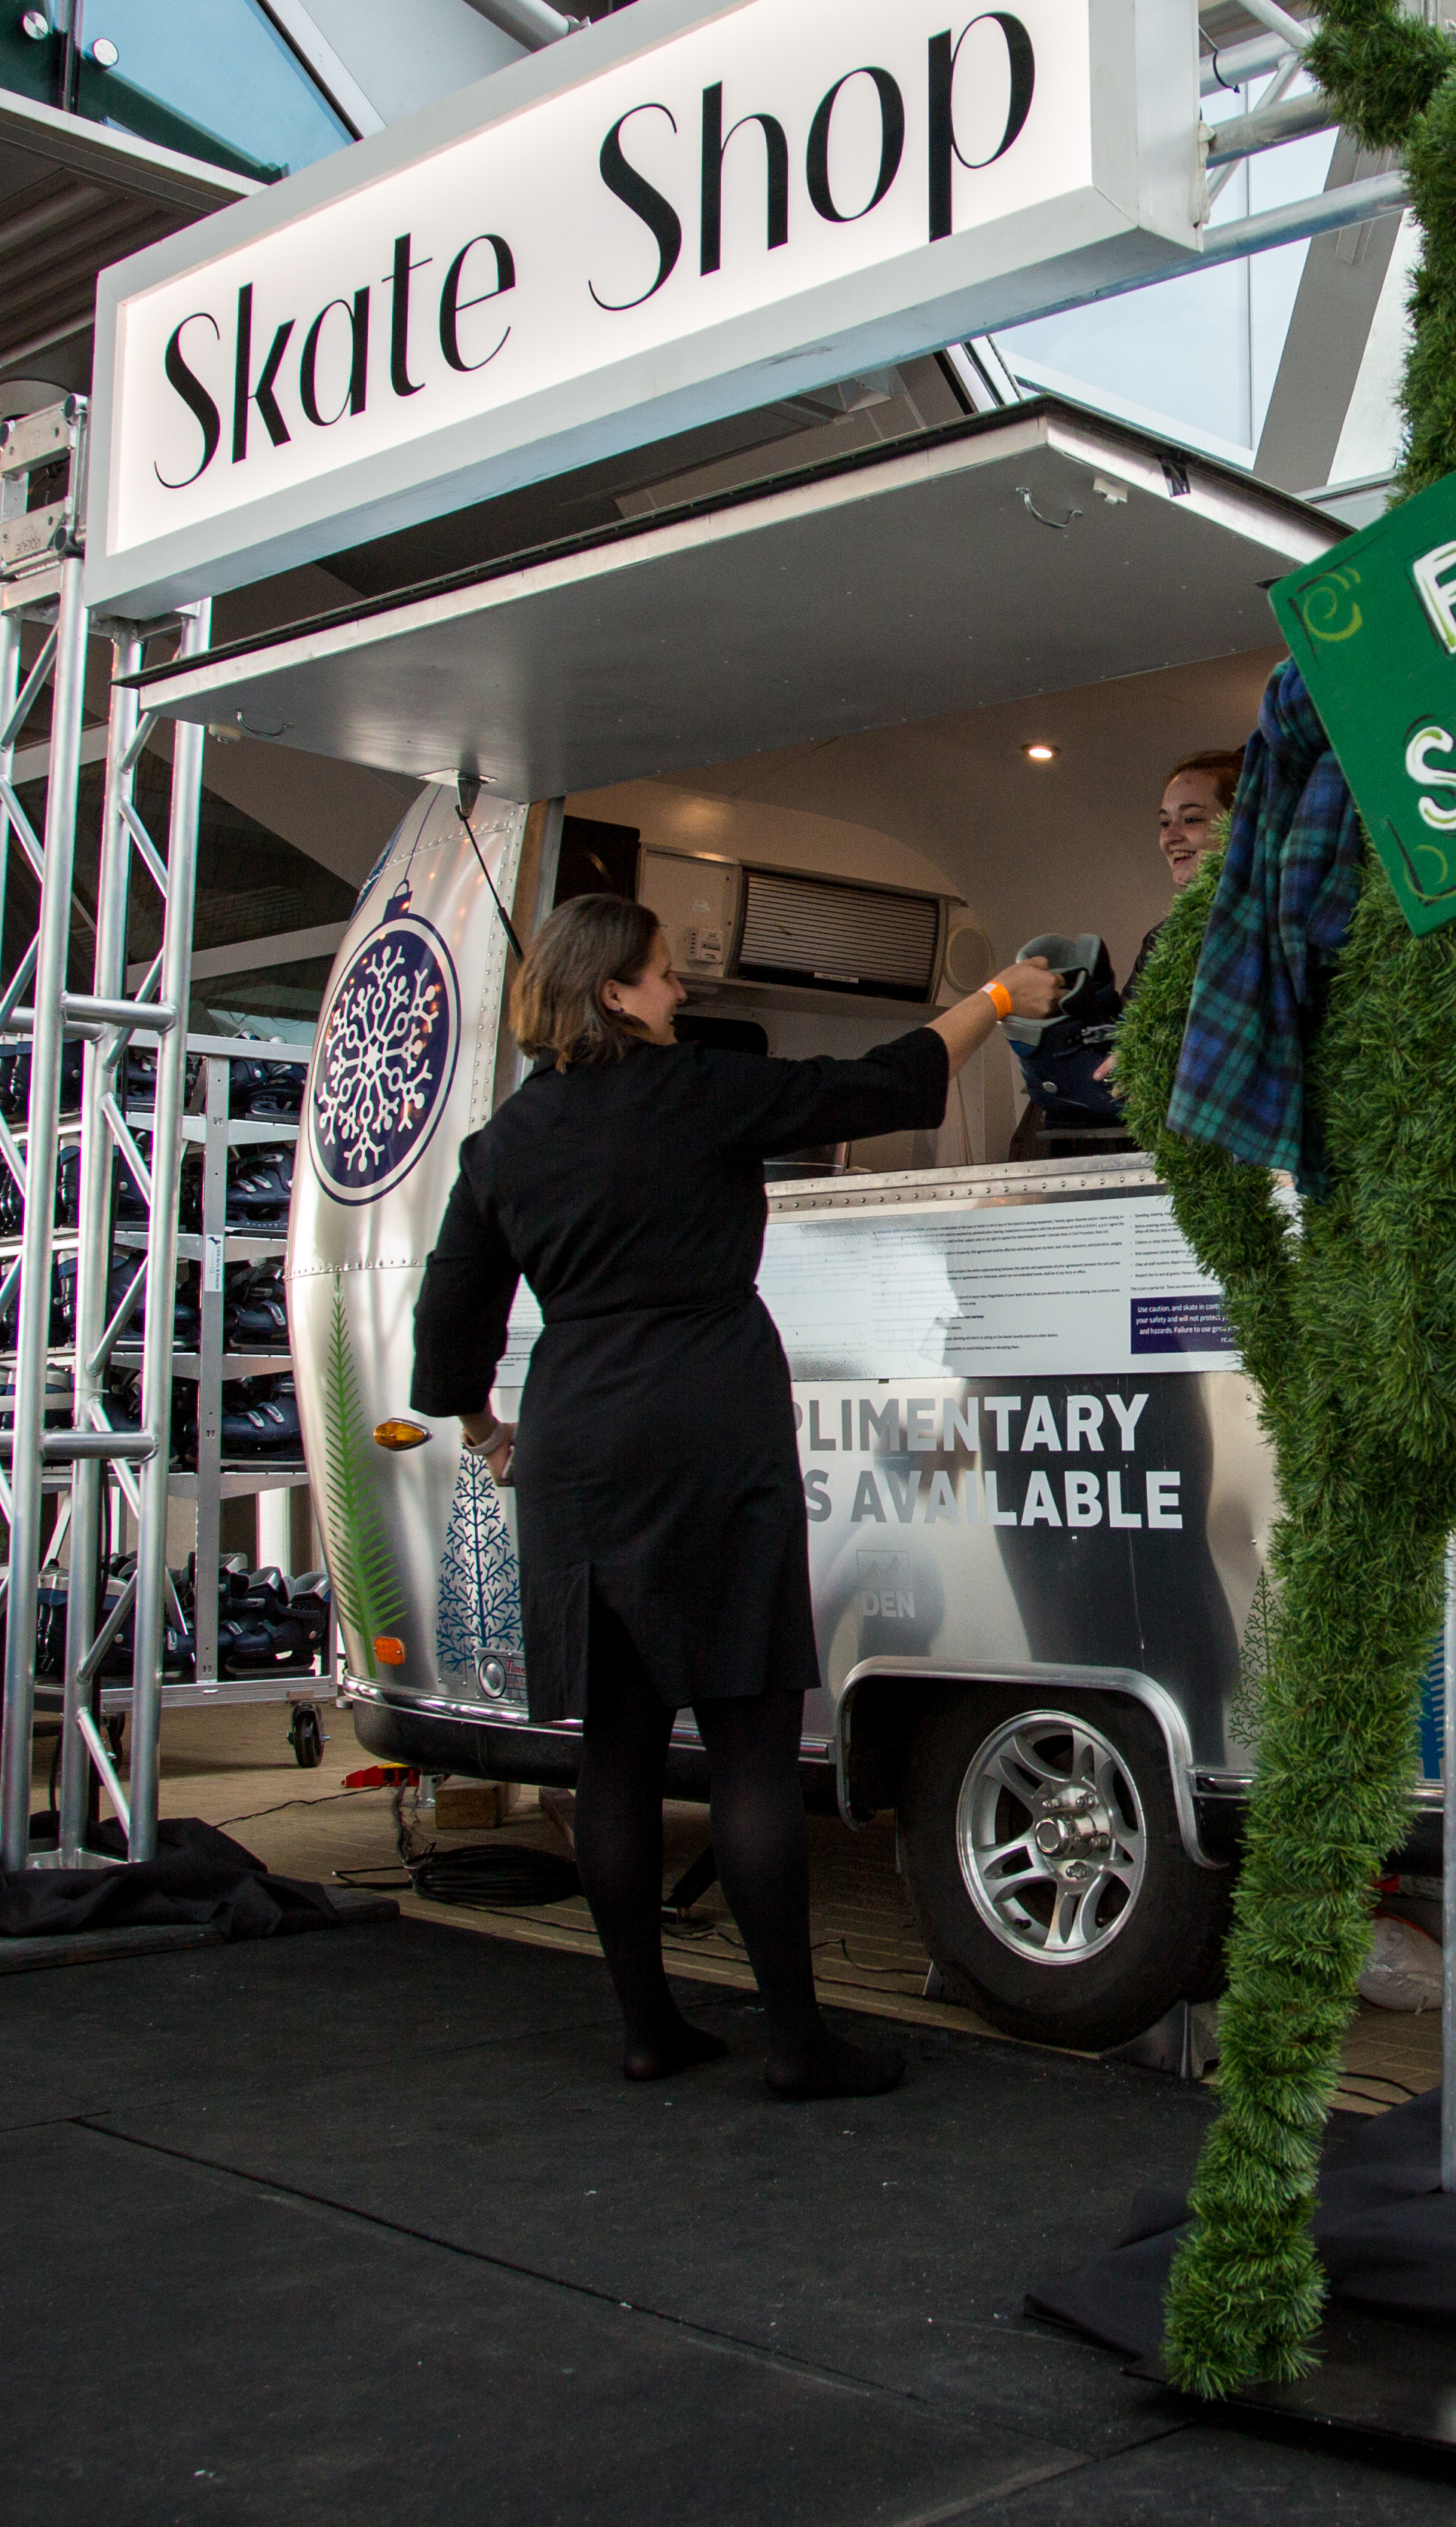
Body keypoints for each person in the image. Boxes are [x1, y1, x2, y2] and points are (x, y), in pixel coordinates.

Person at [410, 894, 1064, 2099]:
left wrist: (491, 1429)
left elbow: (451, 1321)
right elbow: (883, 1086)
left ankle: (648, 2027)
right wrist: (996, 999)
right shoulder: (697, 1092)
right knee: (752, 1745)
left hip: (578, 1435)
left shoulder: (503, 1143)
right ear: (613, 993)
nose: (679, 995)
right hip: (709, 1419)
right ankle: (798, 2043)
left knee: (615, 1749)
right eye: (663, 978)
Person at [1093, 744, 1242, 1096]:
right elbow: (1126, 1043)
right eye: (1164, 822)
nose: (1169, 837)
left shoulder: (1275, 924)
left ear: (1243, 824)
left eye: (1191, 819)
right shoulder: (1162, 940)